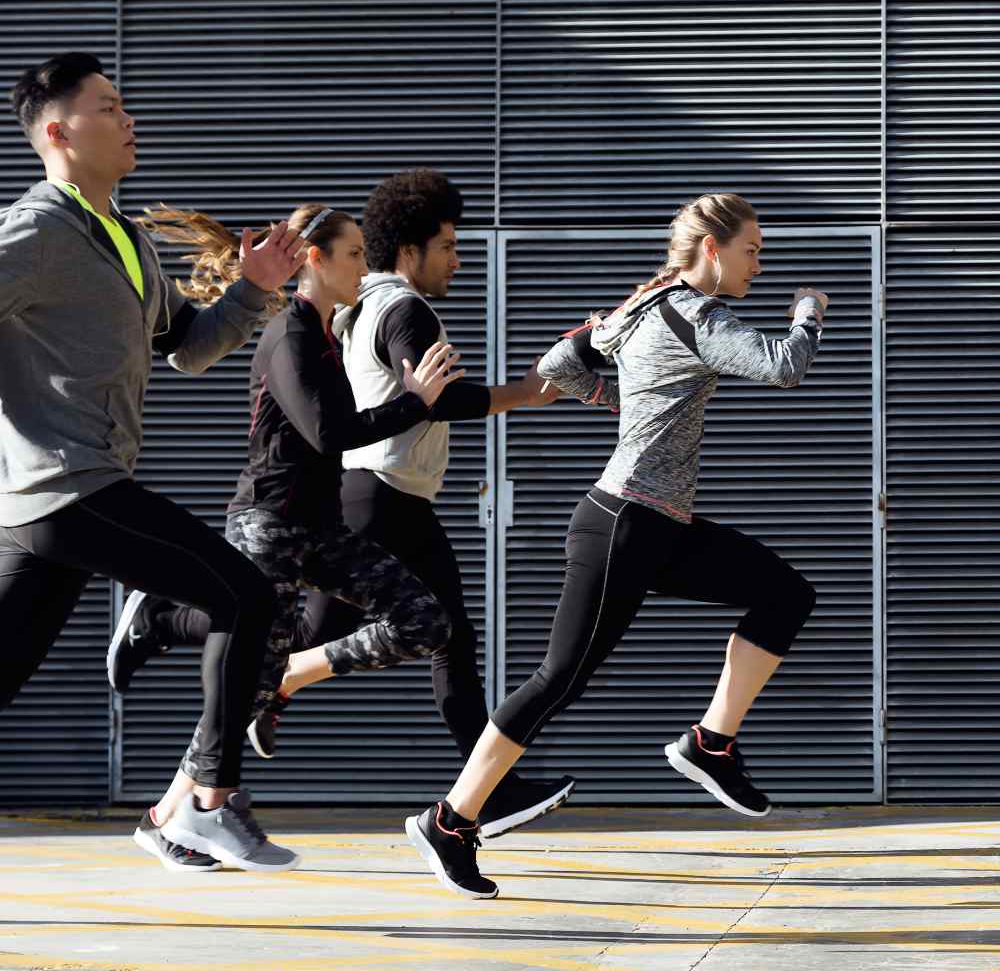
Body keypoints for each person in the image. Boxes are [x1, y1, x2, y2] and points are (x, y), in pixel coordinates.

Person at [122, 168, 578, 840]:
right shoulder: (390, 311)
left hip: (360, 498)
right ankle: (168, 626)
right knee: (384, 637)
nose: (456, 259)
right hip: (366, 497)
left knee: (317, 640)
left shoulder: (344, 317)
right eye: (448, 246)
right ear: (409, 251)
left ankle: (170, 805)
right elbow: (411, 405)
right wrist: (523, 392)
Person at [404, 193, 830, 899]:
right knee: (558, 679)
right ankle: (450, 821)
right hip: (624, 524)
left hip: (656, 525)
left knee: (786, 593)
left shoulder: (644, 305)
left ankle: (710, 745)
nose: (761, 264)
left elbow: (559, 362)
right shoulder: (698, 314)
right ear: (715, 252)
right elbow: (785, 364)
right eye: (752, 251)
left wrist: (623, 401)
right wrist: (808, 309)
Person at [1, 52, 305, 872]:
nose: (127, 117)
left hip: (62, 500)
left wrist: (251, 287)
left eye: (124, 103)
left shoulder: (124, 238)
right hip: (65, 485)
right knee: (247, 593)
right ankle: (207, 801)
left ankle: (157, 644)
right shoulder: (34, 230)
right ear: (60, 132)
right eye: (108, 106)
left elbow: (188, 348)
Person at [107, 203, 464, 870]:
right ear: (314, 260)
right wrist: (414, 400)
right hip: (269, 522)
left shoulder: (328, 333)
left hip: (319, 525)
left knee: (423, 621)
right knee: (248, 679)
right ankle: (164, 632)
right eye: (354, 254)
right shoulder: (291, 335)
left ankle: (168, 801)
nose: (365, 264)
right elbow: (328, 434)